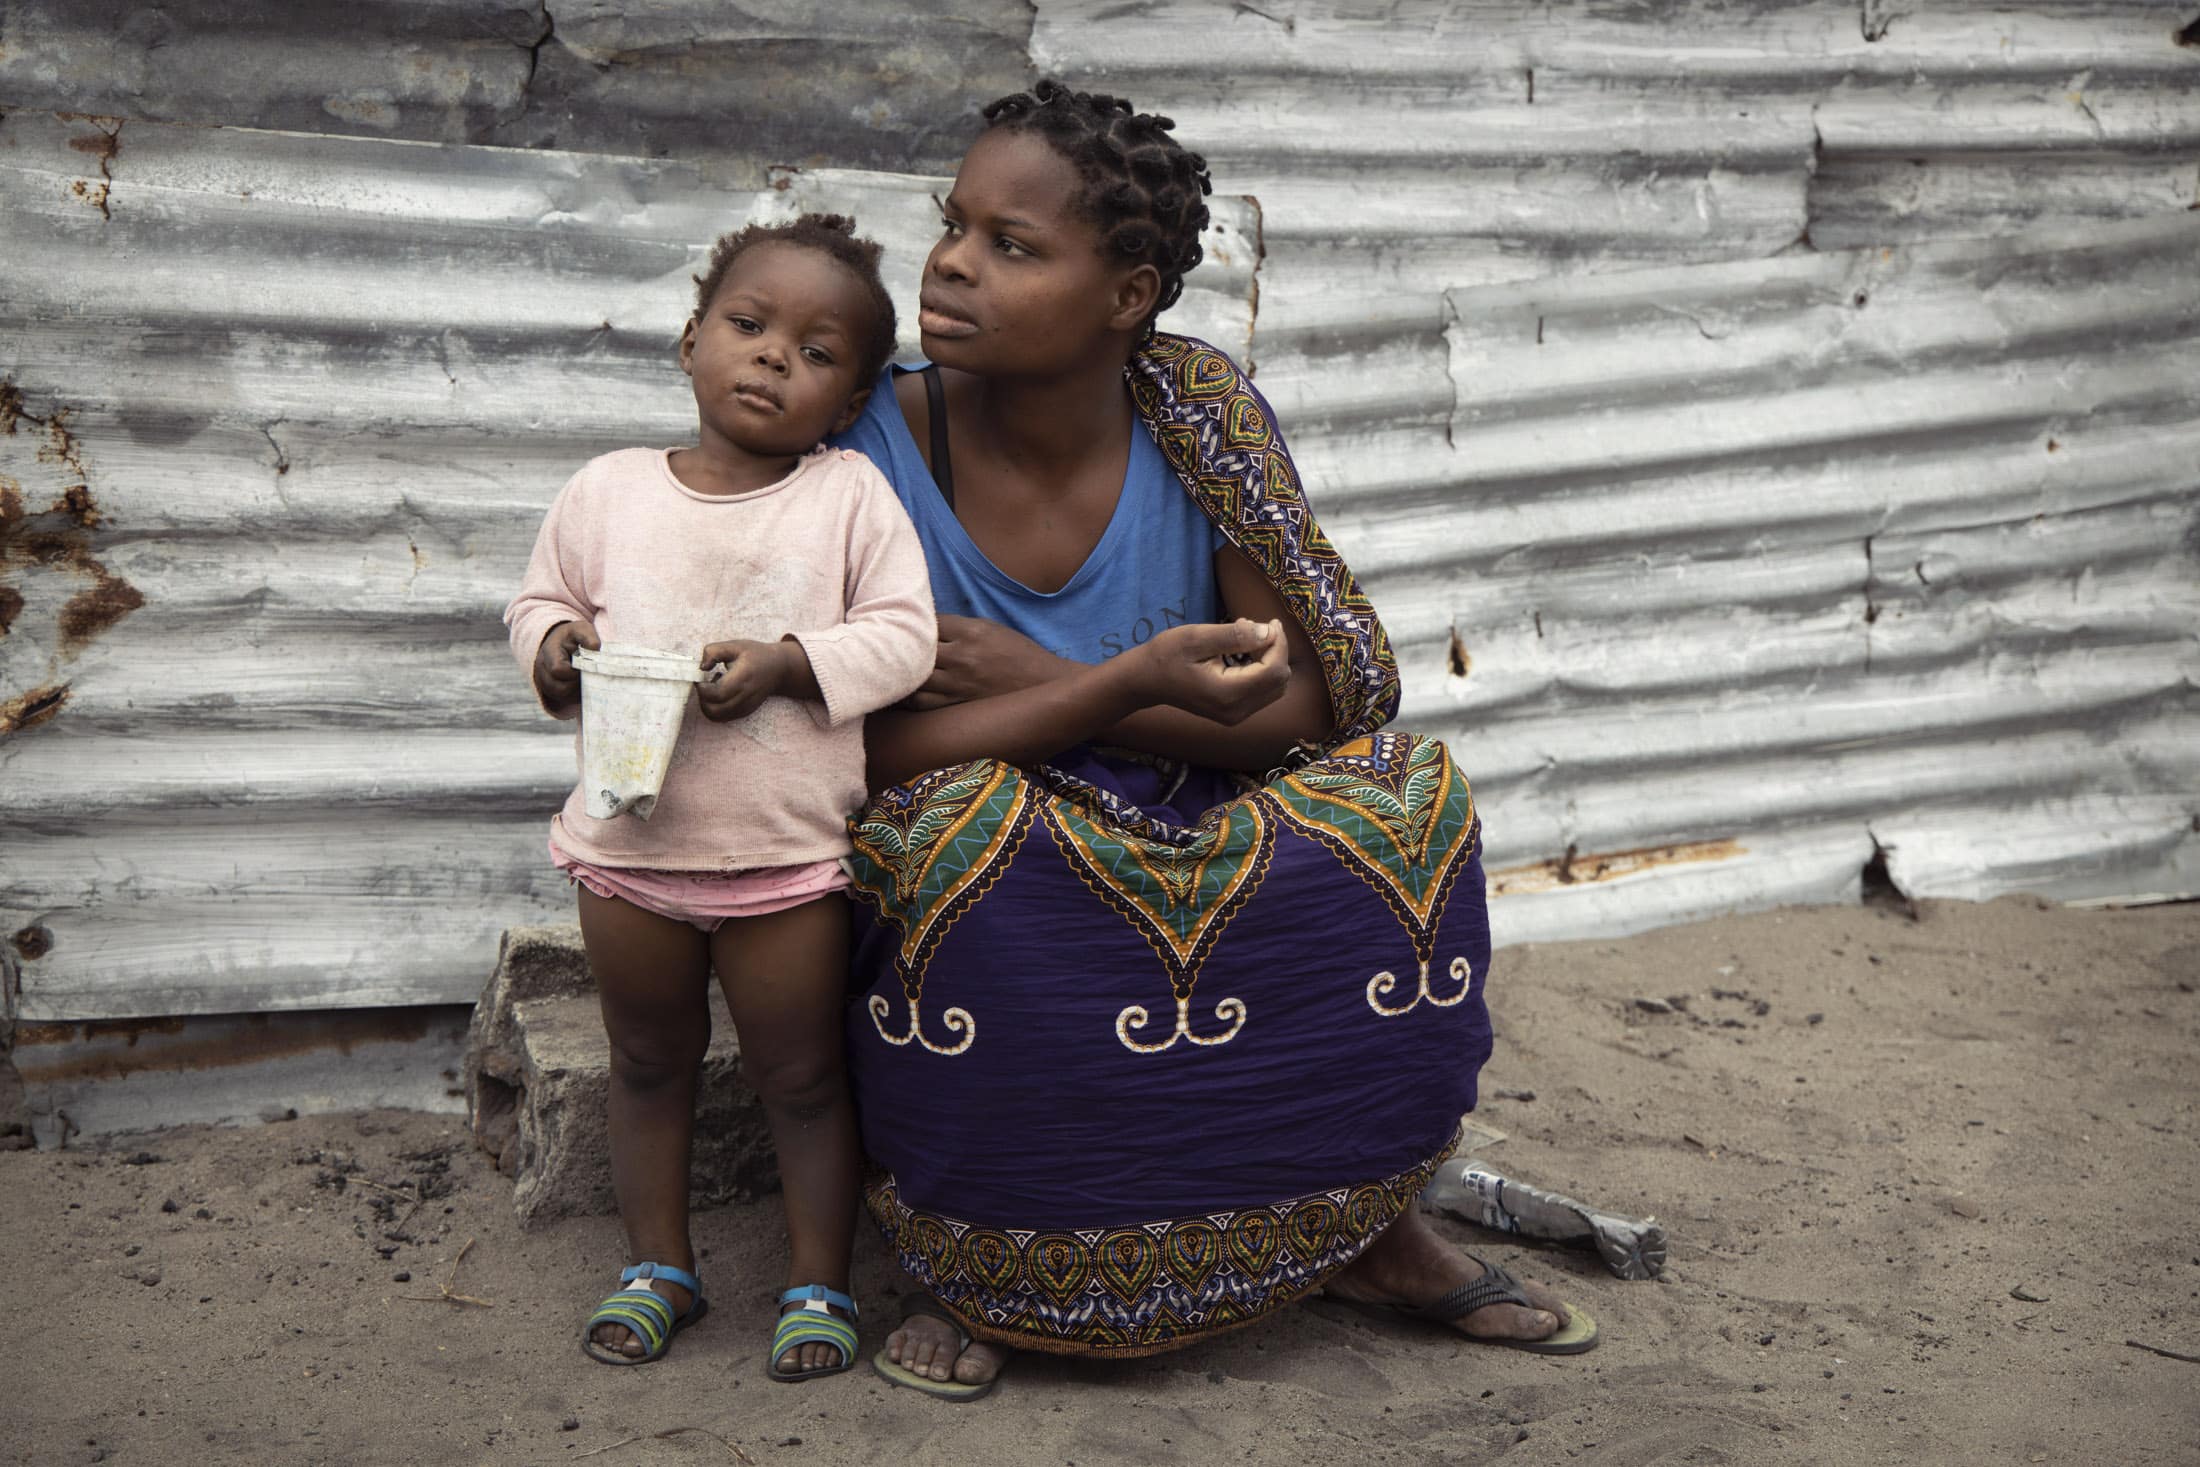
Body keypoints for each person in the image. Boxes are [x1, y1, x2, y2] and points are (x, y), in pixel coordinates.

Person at [829, 81, 1599, 1400]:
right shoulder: (874, 444)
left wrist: (1071, 677)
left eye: (1013, 244)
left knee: (1404, 803)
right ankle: (994, 1261)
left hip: (1190, 796)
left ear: (1127, 293)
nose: (952, 261)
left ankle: (1360, 1221)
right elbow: (878, 751)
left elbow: (1301, 710)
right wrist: (1106, 689)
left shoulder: (1197, 423)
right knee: (973, 846)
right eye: (954, 223)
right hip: (985, 817)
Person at [504, 213, 936, 1376]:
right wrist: (554, 649)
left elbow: (906, 639)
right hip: (631, 851)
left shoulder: (845, 500)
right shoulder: (606, 491)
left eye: (815, 351)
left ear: (848, 403)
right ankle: (659, 1271)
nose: (771, 358)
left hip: (783, 860)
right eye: (748, 327)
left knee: (799, 1076)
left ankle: (816, 1286)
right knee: (647, 1062)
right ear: (690, 340)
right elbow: (538, 600)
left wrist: (794, 662)